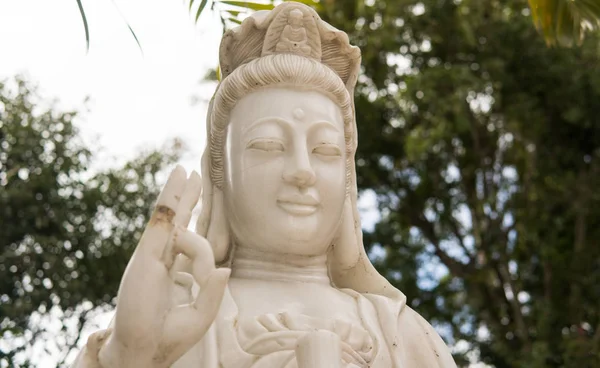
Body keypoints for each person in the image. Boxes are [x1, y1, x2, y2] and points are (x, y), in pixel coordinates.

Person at [72, 2, 457, 367]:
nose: (302, 171)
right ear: (220, 175)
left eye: (324, 150)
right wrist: (130, 356)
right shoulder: (176, 318)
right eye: (269, 145)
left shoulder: (406, 335)